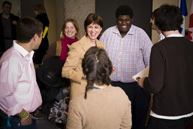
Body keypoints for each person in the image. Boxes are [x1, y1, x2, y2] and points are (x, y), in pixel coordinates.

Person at [137, 4, 193, 129]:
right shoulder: (190, 45)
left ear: (159, 23)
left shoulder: (159, 48)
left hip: (165, 116)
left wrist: (143, 82)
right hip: (188, 113)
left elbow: (154, 86)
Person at [99, 5, 153, 129]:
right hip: (112, 86)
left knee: (137, 121)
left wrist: (142, 80)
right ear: (116, 20)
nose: (124, 23)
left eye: (127, 20)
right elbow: (100, 58)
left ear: (131, 20)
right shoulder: (108, 33)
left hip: (136, 87)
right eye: (121, 20)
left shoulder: (141, 35)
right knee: (113, 121)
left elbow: (151, 61)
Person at [66, 46, 132, 129]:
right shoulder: (122, 94)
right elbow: (126, 127)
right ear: (108, 69)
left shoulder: (77, 103)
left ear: (85, 72)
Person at [0, 17, 43, 129]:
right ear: (34, 37)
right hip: (18, 120)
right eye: (41, 35)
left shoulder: (26, 55)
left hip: (27, 116)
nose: (41, 39)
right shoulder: (12, 60)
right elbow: (3, 95)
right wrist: (23, 114)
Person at [62, 13, 104, 99]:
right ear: (86, 28)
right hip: (81, 91)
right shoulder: (77, 46)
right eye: (90, 27)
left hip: (97, 90)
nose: (93, 31)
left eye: (96, 27)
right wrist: (83, 75)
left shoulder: (101, 45)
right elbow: (65, 71)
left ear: (100, 29)